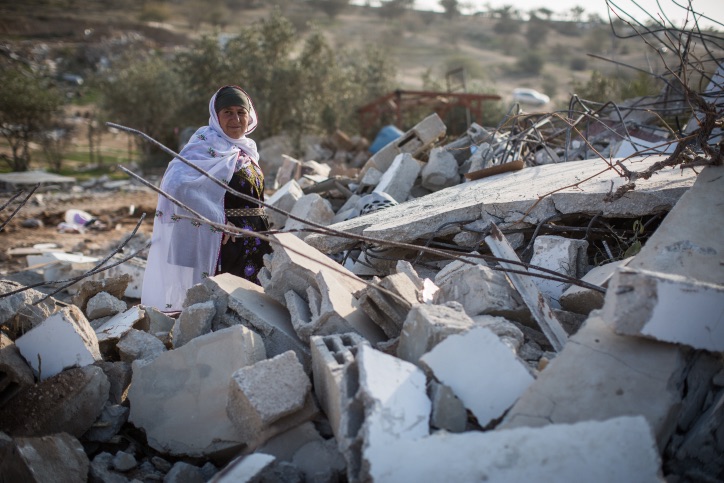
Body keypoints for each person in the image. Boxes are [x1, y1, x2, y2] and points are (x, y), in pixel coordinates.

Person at [141, 85, 273, 312]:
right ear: (216, 116)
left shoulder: (246, 150)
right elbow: (176, 185)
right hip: (227, 243)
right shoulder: (204, 145)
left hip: (255, 238)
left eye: (241, 112)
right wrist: (216, 221)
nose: (236, 118)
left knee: (256, 304)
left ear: (249, 115)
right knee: (228, 304)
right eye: (227, 112)